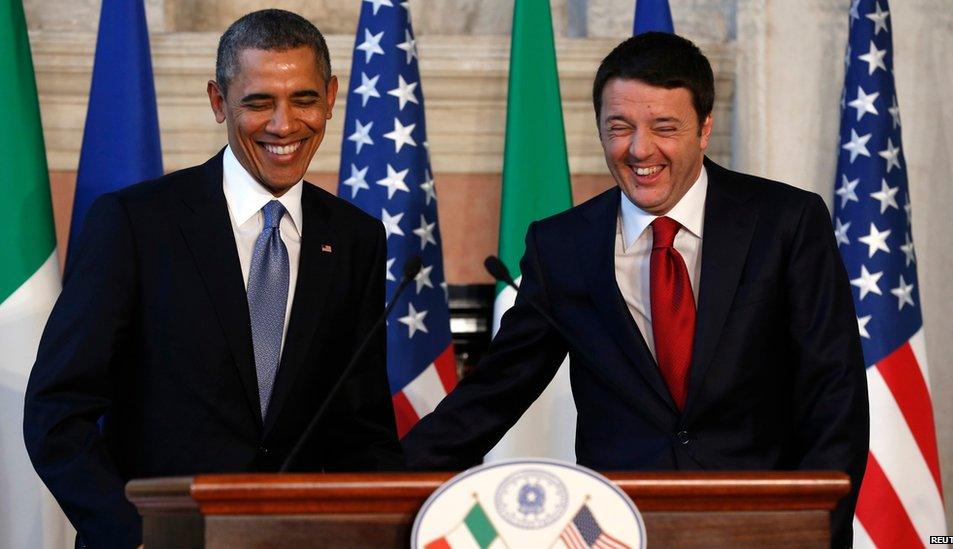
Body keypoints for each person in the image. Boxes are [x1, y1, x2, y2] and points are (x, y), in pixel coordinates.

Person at [402, 32, 868, 548]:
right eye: (619, 128)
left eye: (664, 127)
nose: (640, 149)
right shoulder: (562, 246)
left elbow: (834, 393)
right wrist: (380, 483)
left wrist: (814, 525)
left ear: (704, 128)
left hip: (759, 523)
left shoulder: (787, 223)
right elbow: (493, 393)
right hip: (616, 529)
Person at [23, 10, 402, 549]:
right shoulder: (135, 223)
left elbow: (362, 427)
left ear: (332, 97)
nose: (283, 124)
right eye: (258, 102)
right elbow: (57, 410)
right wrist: (132, 536)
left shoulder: (356, 238)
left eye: (303, 99)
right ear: (218, 101)